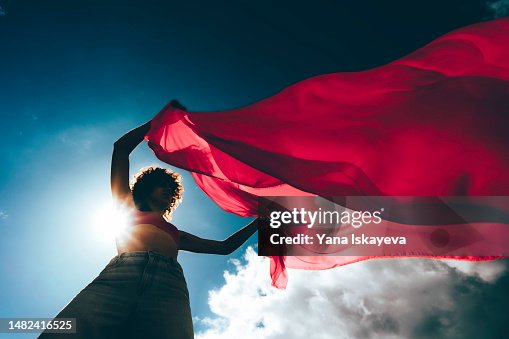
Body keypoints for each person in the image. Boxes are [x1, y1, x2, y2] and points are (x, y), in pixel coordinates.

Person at [39, 100, 259, 339]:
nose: (166, 191)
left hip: (169, 285)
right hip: (121, 274)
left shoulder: (176, 233)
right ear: (146, 188)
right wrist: (158, 121)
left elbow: (224, 247)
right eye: (160, 186)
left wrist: (260, 221)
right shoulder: (125, 206)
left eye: (169, 189)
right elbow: (120, 149)